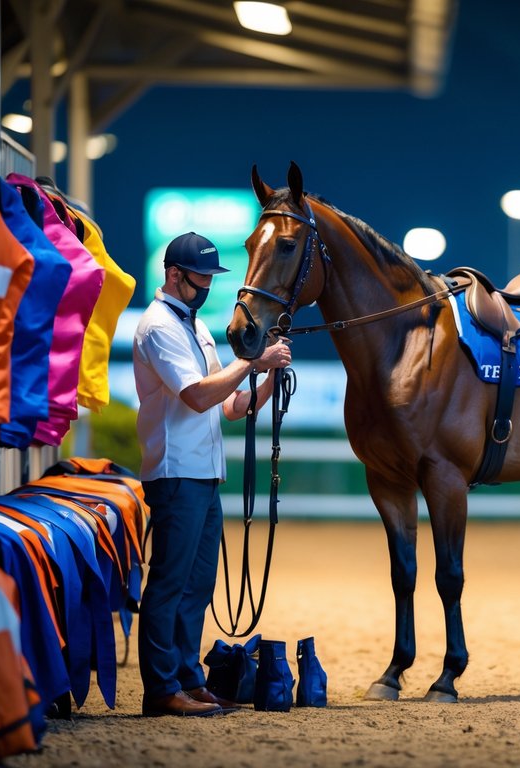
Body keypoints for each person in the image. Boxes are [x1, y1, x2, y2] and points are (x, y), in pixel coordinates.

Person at [132, 231, 291, 717]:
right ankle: (161, 689)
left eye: (209, 277)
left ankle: (187, 679)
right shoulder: (158, 327)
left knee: (197, 585)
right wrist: (250, 361)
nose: (206, 285)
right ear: (173, 275)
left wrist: (267, 377)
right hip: (175, 471)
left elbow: (230, 407)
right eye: (200, 277)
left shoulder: (197, 327)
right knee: (169, 583)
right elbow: (197, 396)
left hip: (202, 473)